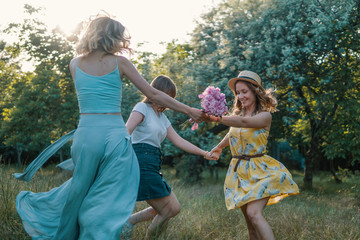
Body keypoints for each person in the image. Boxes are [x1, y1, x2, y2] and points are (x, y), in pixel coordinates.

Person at [14, 14, 205, 240]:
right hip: (114, 136)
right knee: (108, 196)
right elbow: (153, 94)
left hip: (85, 136)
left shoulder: (74, 64)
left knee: (78, 191)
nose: (121, 43)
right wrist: (190, 110)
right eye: (118, 37)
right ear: (110, 37)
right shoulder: (120, 63)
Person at [206, 70, 299, 240]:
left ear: (255, 91)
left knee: (254, 213)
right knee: (250, 226)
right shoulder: (238, 115)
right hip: (239, 172)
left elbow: (244, 123)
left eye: (244, 91)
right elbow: (233, 131)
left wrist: (215, 118)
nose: (240, 96)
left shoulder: (265, 116)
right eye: (238, 92)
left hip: (259, 170)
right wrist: (219, 147)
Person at [122, 75, 217, 239]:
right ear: (155, 92)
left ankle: (129, 221)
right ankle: (145, 234)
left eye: (170, 98)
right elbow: (126, 131)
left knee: (169, 209)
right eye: (165, 96)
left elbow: (179, 140)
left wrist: (204, 153)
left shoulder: (162, 117)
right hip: (140, 162)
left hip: (153, 164)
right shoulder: (142, 108)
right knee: (170, 208)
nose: (167, 101)